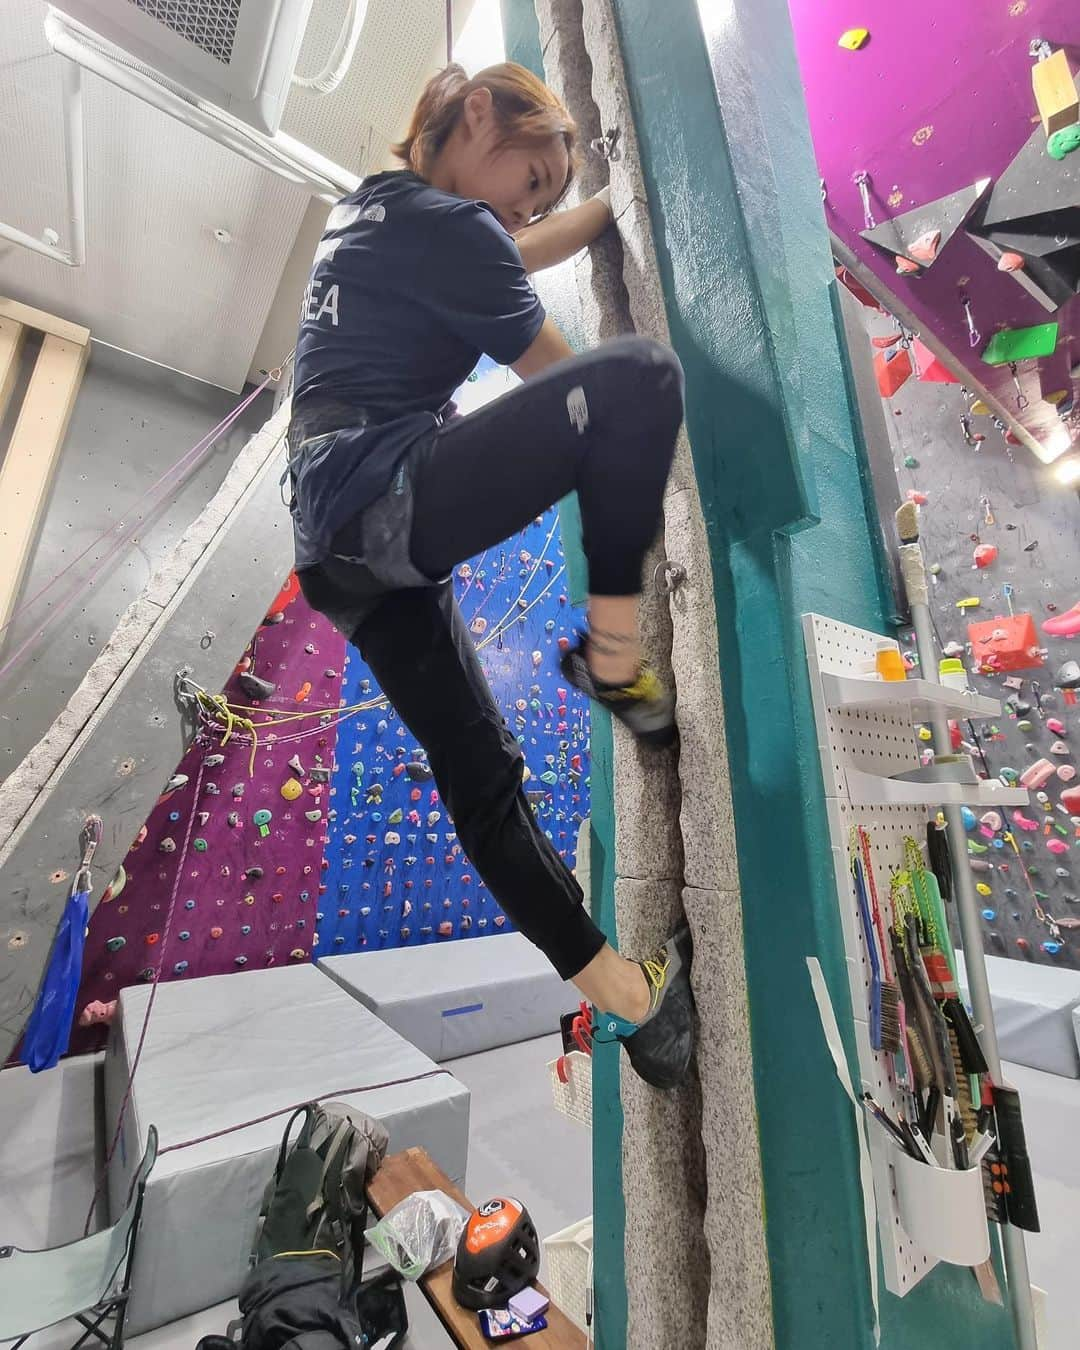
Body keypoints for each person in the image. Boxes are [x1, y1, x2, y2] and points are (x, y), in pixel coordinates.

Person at [287, 62, 694, 1090]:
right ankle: (611, 655)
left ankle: (636, 1006)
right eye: (534, 175)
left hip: (339, 554)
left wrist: (601, 211)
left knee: (483, 776)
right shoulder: (453, 232)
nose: (535, 202)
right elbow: (563, 382)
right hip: (381, 496)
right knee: (637, 379)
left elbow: (500, 246)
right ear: (480, 115)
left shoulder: (377, 211)